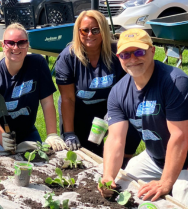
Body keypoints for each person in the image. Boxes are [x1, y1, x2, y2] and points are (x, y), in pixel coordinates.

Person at [99, 28, 188, 206]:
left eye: (139, 52)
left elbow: (180, 137)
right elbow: (115, 139)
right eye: (125, 55)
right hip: (155, 158)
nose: (132, 59)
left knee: (182, 197)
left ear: (152, 51)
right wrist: (108, 176)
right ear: (119, 58)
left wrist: (165, 183)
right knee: (124, 184)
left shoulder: (175, 82)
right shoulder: (118, 92)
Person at [55, 10, 138, 159]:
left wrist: (112, 115)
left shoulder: (117, 54)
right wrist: (69, 133)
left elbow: (127, 90)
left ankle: (125, 164)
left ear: (103, 30)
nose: (90, 34)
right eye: (84, 30)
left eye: (95, 30)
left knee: (131, 124)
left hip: (108, 110)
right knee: (81, 156)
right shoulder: (68, 58)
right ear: (78, 31)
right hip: (77, 111)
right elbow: (68, 99)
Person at [0, 23, 67, 153]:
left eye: (21, 43)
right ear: (3, 46)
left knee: (40, 159)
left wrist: (52, 134)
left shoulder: (38, 64)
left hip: (26, 132)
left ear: (27, 45)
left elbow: (47, 102)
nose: (16, 47)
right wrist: (5, 141)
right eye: (10, 43)